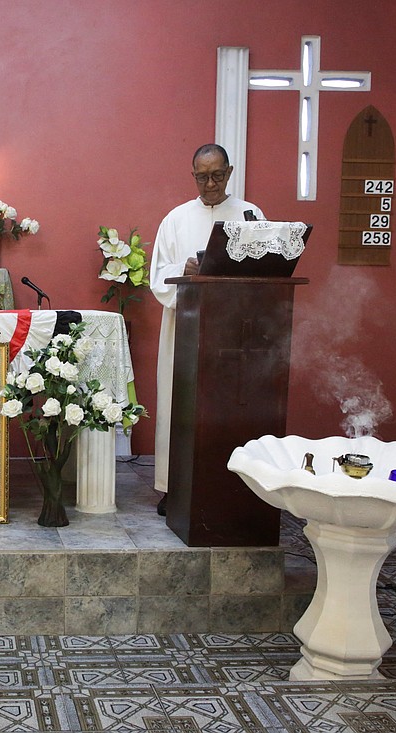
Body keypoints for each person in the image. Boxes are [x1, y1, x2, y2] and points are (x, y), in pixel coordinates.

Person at [149, 143, 265, 515]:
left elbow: (265, 269)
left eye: (217, 175)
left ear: (230, 172)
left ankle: (231, 484)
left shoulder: (250, 215)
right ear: (193, 176)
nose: (210, 184)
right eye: (202, 176)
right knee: (179, 406)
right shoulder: (176, 219)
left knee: (226, 408)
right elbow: (158, 277)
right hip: (186, 327)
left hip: (234, 330)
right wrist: (184, 273)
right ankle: (175, 486)